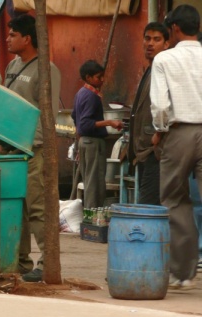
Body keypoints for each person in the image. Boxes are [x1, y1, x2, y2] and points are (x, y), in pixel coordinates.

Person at [3, 14, 61, 282]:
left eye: (12, 35)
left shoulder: (46, 70)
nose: (8, 39)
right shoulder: (12, 66)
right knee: (18, 208)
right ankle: (21, 261)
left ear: (27, 38)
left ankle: (47, 261)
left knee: (37, 207)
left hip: (33, 149)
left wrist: (33, 146)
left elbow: (47, 113)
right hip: (11, 148)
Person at [150, 4, 202, 290]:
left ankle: (182, 273)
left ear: (175, 29)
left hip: (179, 131)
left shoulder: (164, 60)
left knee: (174, 199)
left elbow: (159, 105)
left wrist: (159, 131)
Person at [72, 61, 123, 210]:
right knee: (95, 184)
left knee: (89, 182)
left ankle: (89, 216)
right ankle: (93, 219)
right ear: (88, 77)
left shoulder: (80, 93)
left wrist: (80, 138)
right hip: (93, 143)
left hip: (84, 142)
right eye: (98, 77)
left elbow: (76, 117)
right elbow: (86, 123)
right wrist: (109, 122)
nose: (102, 80)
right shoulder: (92, 96)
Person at [127, 22, 169, 205]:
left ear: (166, 44)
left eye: (156, 39)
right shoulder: (150, 70)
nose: (150, 43)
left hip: (155, 148)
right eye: (147, 38)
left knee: (149, 206)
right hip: (143, 149)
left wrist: (158, 134)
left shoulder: (164, 70)